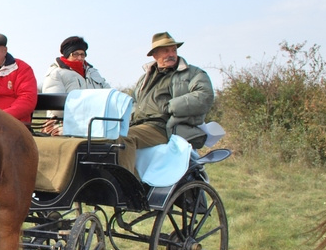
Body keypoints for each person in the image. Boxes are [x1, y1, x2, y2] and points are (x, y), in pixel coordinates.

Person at [118, 31, 214, 174]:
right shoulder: (145, 77)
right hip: (141, 126)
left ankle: (129, 189)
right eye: (166, 51)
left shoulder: (193, 73)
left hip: (165, 127)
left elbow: (204, 96)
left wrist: (170, 106)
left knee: (123, 139)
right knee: (106, 139)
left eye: (174, 50)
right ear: (155, 55)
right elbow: (133, 102)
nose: (171, 54)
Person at [40, 35, 111, 136]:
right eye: (75, 54)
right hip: (62, 122)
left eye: (82, 54)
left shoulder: (93, 72)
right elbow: (57, 110)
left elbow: (109, 94)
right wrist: (82, 120)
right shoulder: (56, 73)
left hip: (94, 121)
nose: (80, 58)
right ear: (67, 55)